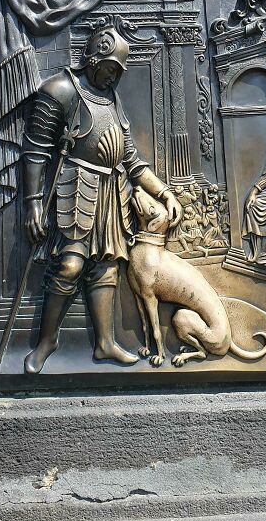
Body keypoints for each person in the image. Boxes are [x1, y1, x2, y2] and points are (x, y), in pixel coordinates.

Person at [21, 22, 182, 373]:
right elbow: (35, 151)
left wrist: (165, 192)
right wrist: (32, 201)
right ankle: (47, 341)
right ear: (95, 57)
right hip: (74, 187)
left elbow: (133, 162)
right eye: (112, 69)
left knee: (106, 269)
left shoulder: (111, 99)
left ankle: (105, 344)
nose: (115, 78)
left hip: (111, 193)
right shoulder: (61, 90)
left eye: (119, 72)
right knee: (69, 266)